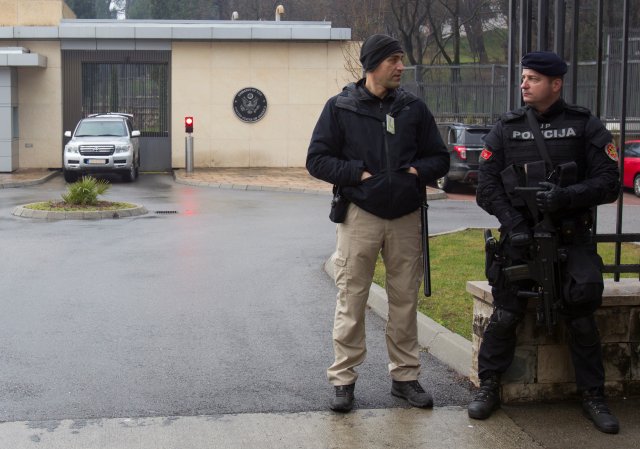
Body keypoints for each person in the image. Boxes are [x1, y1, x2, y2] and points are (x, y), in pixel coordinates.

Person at [468, 51, 621, 434]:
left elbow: (609, 182)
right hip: (521, 237)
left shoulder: (584, 125)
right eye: (523, 78)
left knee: (583, 317)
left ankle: (593, 395)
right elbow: (485, 185)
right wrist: (515, 223)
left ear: (556, 84)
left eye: (533, 78)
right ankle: (488, 386)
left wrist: (566, 198)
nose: (524, 84)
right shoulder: (507, 127)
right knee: (504, 314)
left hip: (571, 235)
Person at [306, 34, 449, 412]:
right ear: (373, 65)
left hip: (405, 217)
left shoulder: (413, 109)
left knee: (405, 300)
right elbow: (317, 160)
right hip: (360, 216)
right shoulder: (340, 107)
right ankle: (343, 380)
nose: (401, 67)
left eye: (401, 60)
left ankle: (405, 378)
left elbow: (440, 158)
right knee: (351, 299)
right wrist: (358, 175)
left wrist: (415, 172)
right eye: (394, 61)